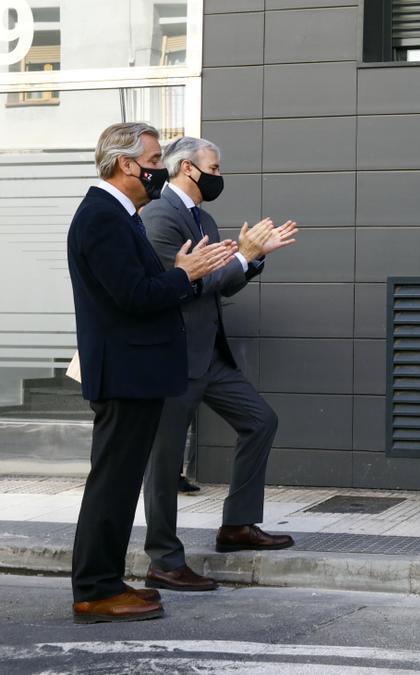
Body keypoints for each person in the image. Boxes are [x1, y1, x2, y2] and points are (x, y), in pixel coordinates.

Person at [67, 122, 236, 623]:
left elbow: (138, 288)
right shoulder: (102, 217)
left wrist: (179, 274)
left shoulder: (121, 216)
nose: (160, 168)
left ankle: (106, 582)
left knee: (117, 485)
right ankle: (95, 590)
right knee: (112, 486)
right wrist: (185, 276)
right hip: (124, 374)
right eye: (156, 159)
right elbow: (134, 297)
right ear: (127, 164)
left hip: (133, 372)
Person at [140, 136, 298, 592]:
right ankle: (164, 560)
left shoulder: (200, 216)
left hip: (209, 355)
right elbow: (188, 284)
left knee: (260, 421)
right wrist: (243, 256)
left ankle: (237, 525)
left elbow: (221, 284)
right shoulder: (158, 216)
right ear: (188, 168)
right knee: (164, 459)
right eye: (214, 166)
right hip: (173, 356)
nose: (219, 174)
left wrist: (253, 256)